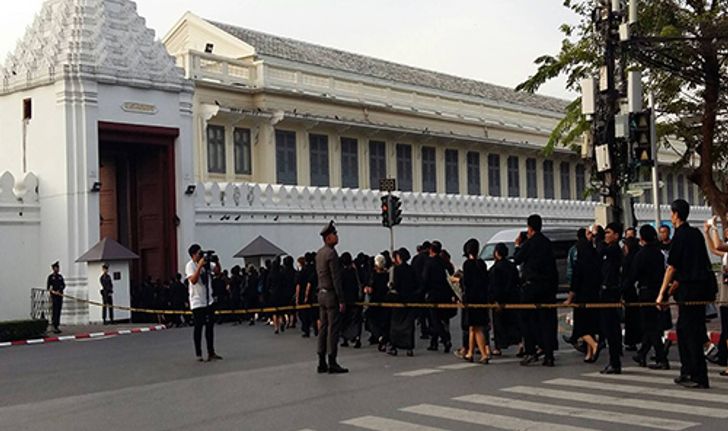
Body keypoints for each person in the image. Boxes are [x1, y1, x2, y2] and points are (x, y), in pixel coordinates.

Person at [657, 199, 715, 389]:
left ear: (676, 214)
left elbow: (672, 267)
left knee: (690, 333)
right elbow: (696, 263)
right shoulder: (695, 234)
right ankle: (687, 370)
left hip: (690, 292)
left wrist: (662, 293)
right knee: (685, 330)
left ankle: (698, 376)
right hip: (699, 289)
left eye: (672, 213)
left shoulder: (681, 236)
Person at [513, 214, 558, 367]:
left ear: (530, 228)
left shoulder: (529, 243)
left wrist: (518, 245)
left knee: (527, 320)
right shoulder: (547, 243)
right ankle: (549, 355)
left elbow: (517, 259)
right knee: (547, 321)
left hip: (531, 287)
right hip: (547, 287)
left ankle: (530, 351)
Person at [626, 225, 669, 369]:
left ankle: (661, 358)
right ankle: (642, 353)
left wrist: (622, 290)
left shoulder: (641, 255)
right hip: (658, 292)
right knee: (651, 325)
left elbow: (633, 275)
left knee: (651, 327)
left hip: (645, 293)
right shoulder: (658, 253)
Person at [315, 221, 348, 374]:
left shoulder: (319, 253)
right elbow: (336, 279)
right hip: (330, 295)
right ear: (328, 238)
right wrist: (341, 299)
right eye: (334, 234)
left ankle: (321, 361)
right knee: (332, 329)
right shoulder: (331, 254)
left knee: (323, 328)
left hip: (321, 293)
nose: (337, 236)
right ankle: (332, 360)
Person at [564, 232, 601, 363]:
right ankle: (589, 353)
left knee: (580, 327)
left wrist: (569, 298)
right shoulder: (596, 261)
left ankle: (595, 345)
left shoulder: (580, 264)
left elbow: (575, 283)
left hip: (582, 297)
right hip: (594, 296)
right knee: (590, 325)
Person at [456, 238, 491, 364]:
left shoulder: (467, 265)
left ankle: (483, 354)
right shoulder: (481, 264)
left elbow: (467, 284)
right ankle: (470, 352)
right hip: (482, 298)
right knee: (473, 327)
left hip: (471, 299)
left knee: (476, 328)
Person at [185, 244, 222, 362]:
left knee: (210, 327)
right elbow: (193, 281)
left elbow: (217, 272)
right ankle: (199, 353)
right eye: (199, 253)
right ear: (193, 255)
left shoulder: (206, 264)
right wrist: (199, 266)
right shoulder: (190, 266)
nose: (201, 256)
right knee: (198, 327)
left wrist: (217, 262)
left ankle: (211, 352)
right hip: (197, 301)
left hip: (208, 300)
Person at [598, 222, 624, 374]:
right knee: (610, 328)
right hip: (608, 291)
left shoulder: (613, 250)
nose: (606, 235)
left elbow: (600, 253)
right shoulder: (612, 249)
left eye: (609, 232)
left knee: (611, 328)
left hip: (610, 292)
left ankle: (615, 362)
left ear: (616, 235)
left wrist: (599, 240)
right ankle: (614, 360)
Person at [704, 216, 728, 375]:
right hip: (725, 292)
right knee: (726, 328)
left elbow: (719, 244)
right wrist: (707, 233)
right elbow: (715, 249)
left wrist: (714, 227)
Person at [489, 242, 522, 356]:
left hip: (500, 300)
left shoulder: (495, 268)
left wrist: (495, 299)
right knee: (515, 323)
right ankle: (519, 344)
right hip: (513, 298)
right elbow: (517, 281)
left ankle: (498, 347)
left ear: (496, 253)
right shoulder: (512, 266)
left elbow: (494, 285)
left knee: (499, 324)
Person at [422, 240, 455, 353]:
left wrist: (422, 292)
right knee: (442, 319)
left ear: (431, 250)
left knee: (434, 320)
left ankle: (444, 339)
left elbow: (425, 279)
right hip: (445, 294)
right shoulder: (444, 262)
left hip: (433, 294)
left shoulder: (429, 263)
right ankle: (434, 342)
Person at [387, 248, 418, 356]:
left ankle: (394, 346)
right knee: (409, 325)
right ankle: (409, 347)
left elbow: (396, 284)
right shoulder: (412, 269)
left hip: (399, 299)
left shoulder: (397, 269)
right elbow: (416, 283)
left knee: (395, 324)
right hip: (410, 299)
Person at [365, 254, 390, 350]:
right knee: (384, 322)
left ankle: (379, 337)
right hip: (386, 301)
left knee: (370, 319)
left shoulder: (373, 276)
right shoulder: (387, 275)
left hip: (375, 301)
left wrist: (367, 289)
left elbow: (370, 289)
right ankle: (383, 338)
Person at [622, 236, 643, 351]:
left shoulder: (628, 259)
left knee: (630, 318)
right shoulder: (639, 256)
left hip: (630, 292)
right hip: (638, 290)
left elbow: (627, 277)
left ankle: (631, 341)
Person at [339, 252, 363, 349]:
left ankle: (345, 338)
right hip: (356, 299)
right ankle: (357, 338)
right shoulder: (356, 272)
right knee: (356, 320)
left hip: (345, 299)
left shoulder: (341, 273)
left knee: (344, 320)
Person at [411, 241, 432, 340]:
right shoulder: (429, 259)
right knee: (431, 313)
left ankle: (424, 331)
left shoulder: (416, 259)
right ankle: (432, 330)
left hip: (418, 289)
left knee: (421, 312)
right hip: (428, 288)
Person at [46, 261, 65, 334]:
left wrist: (60, 290)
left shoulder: (60, 277)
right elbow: (48, 287)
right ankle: (54, 325)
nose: (57, 269)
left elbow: (63, 285)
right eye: (56, 268)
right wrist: (53, 291)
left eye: (58, 268)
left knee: (59, 311)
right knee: (54, 311)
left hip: (60, 296)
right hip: (54, 297)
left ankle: (57, 325)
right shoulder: (51, 277)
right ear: (53, 269)